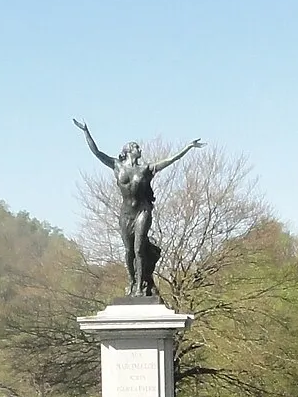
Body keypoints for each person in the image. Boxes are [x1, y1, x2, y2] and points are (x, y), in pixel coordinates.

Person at [73, 120, 202, 298]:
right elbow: (96, 152)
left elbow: (170, 160)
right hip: (126, 214)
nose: (140, 150)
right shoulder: (116, 166)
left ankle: (141, 287)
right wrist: (86, 131)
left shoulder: (146, 169)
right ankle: (132, 281)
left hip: (142, 211)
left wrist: (188, 147)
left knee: (139, 248)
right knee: (128, 251)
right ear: (128, 151)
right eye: (137, 148)